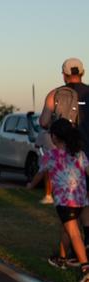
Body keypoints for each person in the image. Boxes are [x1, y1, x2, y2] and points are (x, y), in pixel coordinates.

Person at [39, 58, 89, 265]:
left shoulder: (55, 93)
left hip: (67, 155)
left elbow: (43, 121)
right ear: (83, 72)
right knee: (85, 202)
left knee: (69, 208)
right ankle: (83, 247)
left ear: (64, 74)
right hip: (86, 153)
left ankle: (68, 255)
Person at [27, 119, 89, 282]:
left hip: (65, 201)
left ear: (54, 137)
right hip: (80, 199)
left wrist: (31, 185)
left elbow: (40, 174)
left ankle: (86, 268)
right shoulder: (79, 153)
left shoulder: (51, 155)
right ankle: (61, 260)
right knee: (66, 229)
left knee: (74, 233)